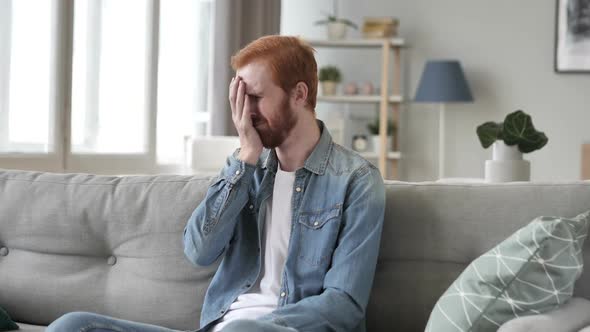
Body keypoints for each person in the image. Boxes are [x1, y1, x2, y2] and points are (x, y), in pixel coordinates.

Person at [45, 35, 385, 332]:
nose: (243, 113)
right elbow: (199, 251)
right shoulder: (246, 168)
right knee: (73, 325)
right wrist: (247, 155)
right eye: (238, 98)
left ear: (298, 94)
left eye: (254, 97)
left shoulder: (355, 181)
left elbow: (344, 305)